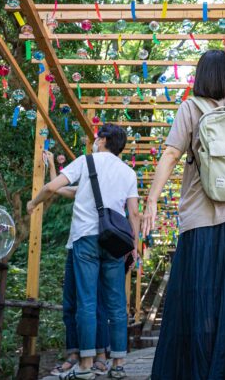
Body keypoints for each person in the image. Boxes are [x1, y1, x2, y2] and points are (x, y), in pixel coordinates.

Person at [141, 6, 225, 380]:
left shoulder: (190, 107)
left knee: (200, 298)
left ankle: (201, 370)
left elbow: (171, 154)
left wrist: (152, 200)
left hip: (202, 218)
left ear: (199, 77)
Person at [28, 124, 140, 380]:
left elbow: (51, 188)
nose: (94, 142)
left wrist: (33, 203)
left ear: (103, 140)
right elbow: (133, 213)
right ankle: (118, 364)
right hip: (115, 242)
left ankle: (86, 365)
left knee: (86, 301)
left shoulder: (86, 161)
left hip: (86, 238)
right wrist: (133, 248)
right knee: (116, 304)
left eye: (96, 138)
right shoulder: (128, 172)